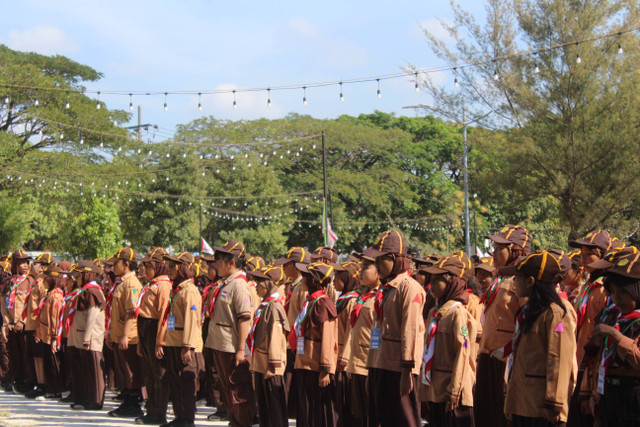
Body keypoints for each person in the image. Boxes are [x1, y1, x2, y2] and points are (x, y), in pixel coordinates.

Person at [503, 250, 578, 426]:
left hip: (542, 407)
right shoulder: (526, 312)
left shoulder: (555, 314)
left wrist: (554, 403)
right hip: (522, 402)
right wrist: (510, 401)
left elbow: (558, 360)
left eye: (518, 277)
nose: (514, 282)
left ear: (530, 281)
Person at [364, 230, 426, 427]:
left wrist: (407, 370)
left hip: (399, 369)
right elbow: (377, 330)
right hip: (381, 364)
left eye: (380, 260)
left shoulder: (409, 288)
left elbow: (411, 331)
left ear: (393, 258)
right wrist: (371, 366)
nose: (376, 266)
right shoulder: (387, 288)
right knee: (382, 419)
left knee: (404, 419)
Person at [475, 225, 530, 427]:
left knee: (503, 417)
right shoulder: (500, 278)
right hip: (489, 357)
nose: (494, 253)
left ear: (515, 250)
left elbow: (525, 323)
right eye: (494, 247)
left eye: (500, 248)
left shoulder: (520, 281)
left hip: (505, 360)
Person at [422, 251, 478, 427]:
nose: (431, 285)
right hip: (437, 389)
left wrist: (455, 390)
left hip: (453, 391)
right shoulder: (435, 312)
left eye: (436, 279)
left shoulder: (458, 314)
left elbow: (462, 353)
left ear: (450, 280)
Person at [204, 240, 255, 427]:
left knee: (237, 390)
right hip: (220, 344)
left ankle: (242, 423)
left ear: (232, 262)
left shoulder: (239, 285)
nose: (216, 266)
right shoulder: (226, 283)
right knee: (227, 389)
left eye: (220, 262)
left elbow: (244, 319)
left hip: (232, 346)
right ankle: (234, 422)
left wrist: (241, 349)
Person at [587, 246, 640, 426]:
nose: (617, 299)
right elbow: (601, 358)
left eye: (624, 292)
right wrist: (597, 396)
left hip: (633, 399)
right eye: (614, 292)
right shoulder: (613, 316)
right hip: (609, 394)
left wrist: (616, 336)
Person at [567, 230, 612, 425]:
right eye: (582, 255)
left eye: (588, 255)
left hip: (594, 360)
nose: (583, 260)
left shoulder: (604, 288)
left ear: (601, 255)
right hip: (579, 356)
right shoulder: (588, 285)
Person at [291, 262, 339, 427]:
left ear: (314, 280)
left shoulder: (324, 304)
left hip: (316, 367)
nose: (302, 279)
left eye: (306, 276)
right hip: (303, 363)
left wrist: (326, 369)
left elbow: (328, 339)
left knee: (317, 412)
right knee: (305, 410)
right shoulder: (310, 301)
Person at [158, 252, 203, 427]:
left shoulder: (190, 292)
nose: (170, 270)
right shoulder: (178, 289)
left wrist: (187, 346)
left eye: (173, 266)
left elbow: (192, 321)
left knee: (185, 382)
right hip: (173, 341)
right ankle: (179, 416)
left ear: (181, 268)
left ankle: (187, 418)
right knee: (175, 381)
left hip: (182, 343)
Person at [246, 265, 290, 427]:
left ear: (269, 285)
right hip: (260, 363)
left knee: (274, 407)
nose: (256, 287)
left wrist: (274, 365)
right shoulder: (265, 305)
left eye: (260, 283)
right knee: (264, 405)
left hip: (269, 366)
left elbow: (276, 339)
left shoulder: (275, 307)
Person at [135, 247, 172, 425]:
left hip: (154, 329)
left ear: (157, 267)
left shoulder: (164, 286)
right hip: (144, 328)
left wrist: (160, 341)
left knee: (158, 373)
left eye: (148, 266)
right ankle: (151, 409)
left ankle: (159, 412)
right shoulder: (151, 284)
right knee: (149, 372)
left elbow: (164, 315)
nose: (145, 269)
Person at [107, 247, 144, 418]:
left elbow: (131, 311)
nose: (114, 266)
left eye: (117, 262)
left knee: (131, 371)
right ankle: (127, 401)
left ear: (126, 264)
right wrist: (111, 333)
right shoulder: (123, 282)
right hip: (119, 333)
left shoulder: (132, 283)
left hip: (129, 336)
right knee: (124, 370)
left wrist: (124, 335)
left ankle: (133, 404)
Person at [275, 246, 311, 418]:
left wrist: (298, 345)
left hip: (297, 345)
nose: (283, 268)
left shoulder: (303, 288)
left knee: (294, 386)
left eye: (287, 264)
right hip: (289, 343)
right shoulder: (293, 286)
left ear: (297, 266)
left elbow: (303, 317)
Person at [346, 255, 380, 427]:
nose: (360, 271)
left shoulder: (380, 299)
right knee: (358, 415)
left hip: (369, 364)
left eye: (366, 267)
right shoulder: (365, 297)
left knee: (371, 414)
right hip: (357, 362)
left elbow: (378, 335)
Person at [70, 260, 106, 410]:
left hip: (91, 338)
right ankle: (86, 398)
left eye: (78, 275)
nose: (75, 278)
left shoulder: (93, 291)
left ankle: (96, 401)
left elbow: (92, 316)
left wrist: (87, 338)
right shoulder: (84, 290)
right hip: (81, 336)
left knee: (94, 371)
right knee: (85, 371)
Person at [333, 261, 362, 427]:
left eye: (338, 277)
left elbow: (352, 331)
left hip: (345, 358)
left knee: (347, 400)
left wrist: (345, 357)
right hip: (337, 354)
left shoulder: (352, 301)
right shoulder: (341, 299)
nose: (334, 280)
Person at [6, 249, 36, 394]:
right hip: (11, 325)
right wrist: (8, 322)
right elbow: (3, 304)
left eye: (26, 262)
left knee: (26, 353)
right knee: (14, 353)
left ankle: (28, 381)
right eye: (22, 262)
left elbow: (32, 305)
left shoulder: (30, 281)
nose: (25, 265)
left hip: (25, 325)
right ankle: (17, 379)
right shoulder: (8, 282)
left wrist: (22, 321)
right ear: (15, 264)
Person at [34, 265, 66, 400]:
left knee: (53, 364)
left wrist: (54, 338)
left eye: (47, 278)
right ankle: (50, 389)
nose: (45, 281)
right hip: (44, 334)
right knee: (48, 363)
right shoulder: (49, 294)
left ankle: (55, 390)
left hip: (51, 336)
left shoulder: (56, 296)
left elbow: (54, 319)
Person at [23, 253, 53, 399]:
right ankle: (38, 383)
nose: (31, 266)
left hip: (38, 326)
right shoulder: (36, 282)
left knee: (40, 356)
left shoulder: (43, 284)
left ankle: (43, 384)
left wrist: (38, 328)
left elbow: (42, 307)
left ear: (42, 266)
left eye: (35, 263)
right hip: (31, 324)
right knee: (36, 357)